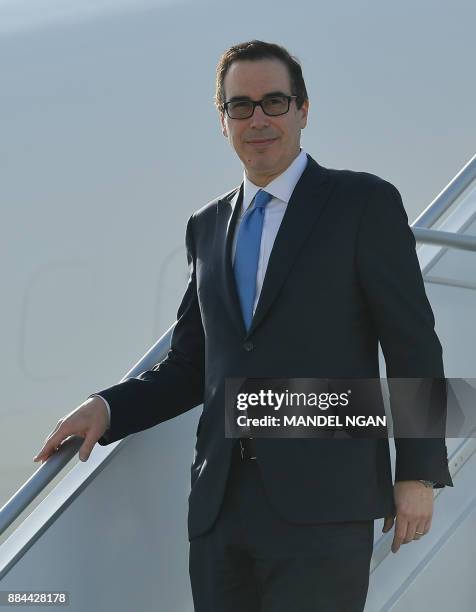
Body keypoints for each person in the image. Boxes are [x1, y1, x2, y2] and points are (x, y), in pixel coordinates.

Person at [33, 40, 453, 611]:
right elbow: (191, 365)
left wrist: (419, 475)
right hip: (220, 510)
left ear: (304, 110)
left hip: (325, 508)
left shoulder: (363, 203)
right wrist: (106, 409)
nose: (257, 118)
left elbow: (414, 347)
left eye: (274, 102)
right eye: (240, 106)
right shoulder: (207, 226)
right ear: (222, 121)